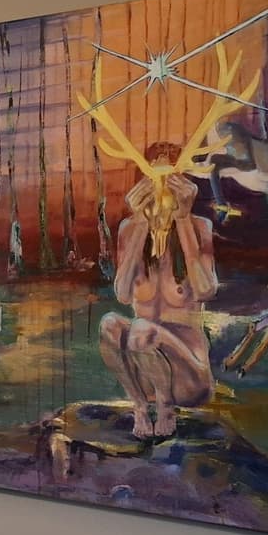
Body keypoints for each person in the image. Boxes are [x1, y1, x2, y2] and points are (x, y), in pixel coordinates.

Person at [98, 144, 221, 439]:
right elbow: (122, 294)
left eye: (169, 178)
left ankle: (166, 408)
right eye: (153, 178)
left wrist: (182, 219)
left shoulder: (198, 226)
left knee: (142, 329)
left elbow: (205, 290)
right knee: (109, 324)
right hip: (146, 374)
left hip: (189, 378)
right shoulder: (130, 229)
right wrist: (141, 223)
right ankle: (140, 406)